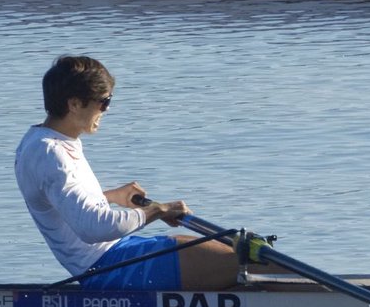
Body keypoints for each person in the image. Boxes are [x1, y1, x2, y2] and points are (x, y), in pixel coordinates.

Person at [15, 55, 240, 290]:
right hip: (110, 268)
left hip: (120, 252)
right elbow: (92, 227)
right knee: (249, 263)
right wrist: (156, 210)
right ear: (74, 104)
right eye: (104, 101)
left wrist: (111, 197)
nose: (106, 109)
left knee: (239, 257)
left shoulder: (40, 140)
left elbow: (64, 206)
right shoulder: (51, 153)